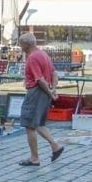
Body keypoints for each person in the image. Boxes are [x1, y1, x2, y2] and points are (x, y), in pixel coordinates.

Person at [18, 32, 66, 167]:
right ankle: (55, 146)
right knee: (38, 123)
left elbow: (39, 79)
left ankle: (35, 158)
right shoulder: (43, 54)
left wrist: (50, 93)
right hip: (45, 93)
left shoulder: (32, 57)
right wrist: (53, 89)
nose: (20, 46)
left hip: (36, 93)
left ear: (27, 44)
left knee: (29, 125)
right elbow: (54, 73)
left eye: (21, 44)